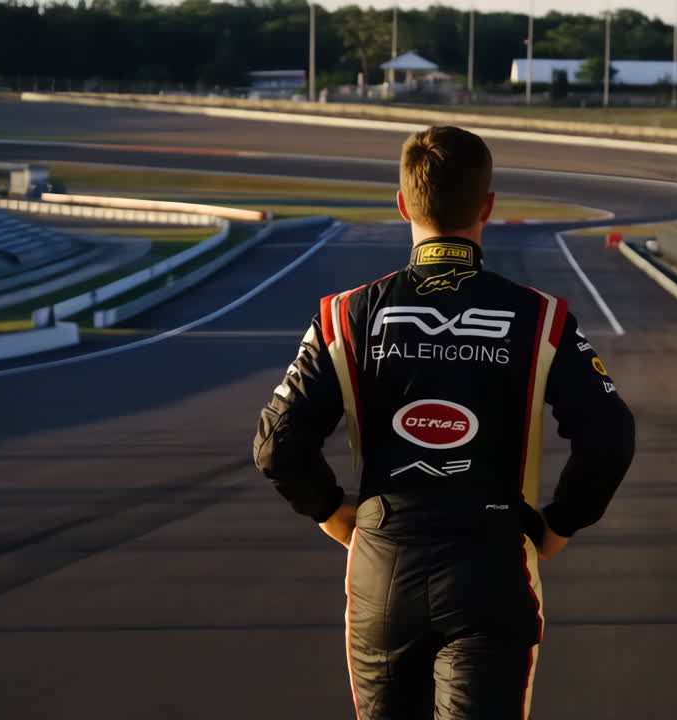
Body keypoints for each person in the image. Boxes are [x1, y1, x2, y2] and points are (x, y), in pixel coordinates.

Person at [253, 126, 635, 720]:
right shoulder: (542, 317)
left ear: (403, 204)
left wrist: (330, 511)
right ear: (488, 205)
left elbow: (278, 443)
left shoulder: (342, 315)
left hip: (382, 563)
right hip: (493, 564)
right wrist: (560, 523)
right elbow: (610, 435)